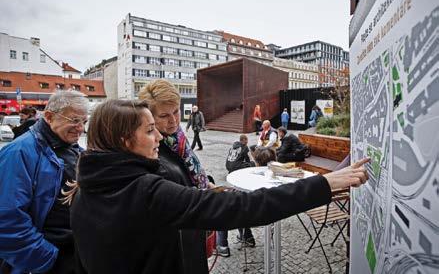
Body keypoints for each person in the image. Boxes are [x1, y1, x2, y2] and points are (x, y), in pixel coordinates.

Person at [69, 99, 369, 274]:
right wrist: (323, 185)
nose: (159, 137)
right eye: (150, 131)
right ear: (124, 141)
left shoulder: (85, 189)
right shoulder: (145, 190)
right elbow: (243, 208)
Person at [0, 90, 88, 274]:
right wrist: (49, 260)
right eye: (74, 120)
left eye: (84, 122)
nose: (80, 128)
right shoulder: (19, 152)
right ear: (49, 117)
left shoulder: (72, 148)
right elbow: (7, 220)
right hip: (47, 260)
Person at [139, 80, 210, 273]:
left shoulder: (178, 137)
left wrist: (206, 183)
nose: (173, 121)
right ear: (149, 116)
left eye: (176, 112)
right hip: (174, 244)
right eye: (164, 115)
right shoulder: (148, 148)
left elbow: (189, 169)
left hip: (192, 230)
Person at [217, 135, 256, 257]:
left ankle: (222, 246)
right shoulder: (245, 150)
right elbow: (250, 161)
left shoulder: (232, 148)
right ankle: (247, 237)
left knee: (224, 208)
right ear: (244, 141)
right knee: (240, 203)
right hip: (254, 208)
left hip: (246, 207)